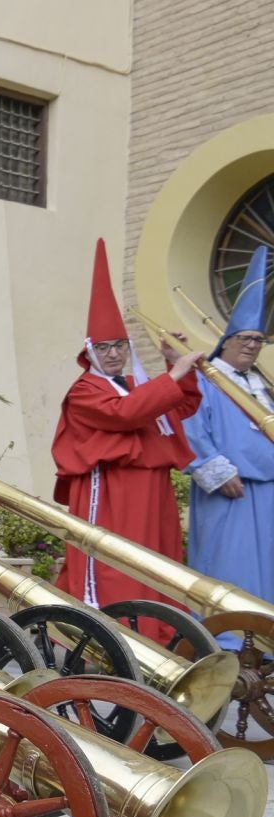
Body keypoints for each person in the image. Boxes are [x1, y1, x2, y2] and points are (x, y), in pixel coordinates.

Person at [52, 239, 200, 630]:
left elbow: (181, 409)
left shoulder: (137, 383)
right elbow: (126, 415)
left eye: (119, 345)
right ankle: (115, 635)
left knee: (158, 557)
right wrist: (173, 375)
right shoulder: (85, 389)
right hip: (114, 490)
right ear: (90, 351)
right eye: (104, 347)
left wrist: (173, 367)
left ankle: (162, 631)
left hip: (153, 488)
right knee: (117, 563)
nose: (113, 353)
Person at [184, 244, 274, 631]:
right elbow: (191, 428)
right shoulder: (207, 379)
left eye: (258, 340)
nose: (252, 345)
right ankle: (228, 637)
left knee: (266, 567)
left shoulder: (262, 384)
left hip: (268, 485)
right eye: (246, 338)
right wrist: (216, 471)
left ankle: (265, 636)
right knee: (228, 564)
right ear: (229, 339)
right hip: (231, 488)